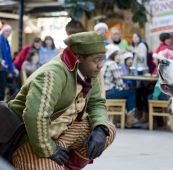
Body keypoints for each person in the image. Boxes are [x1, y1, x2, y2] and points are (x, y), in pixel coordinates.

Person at [8, 32, 116, 169]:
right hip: (30, 139)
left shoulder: (87, 72)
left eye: (102, 59)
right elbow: (34, 116)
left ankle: (66, 166)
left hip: (60, 133)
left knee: (107, 130)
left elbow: (96, 103)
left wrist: (100, 128)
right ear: (79, 58)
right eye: (96, 60)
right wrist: (49, 149)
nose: (101, 65)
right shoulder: (52, 74)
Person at [0, 24, 18, 101]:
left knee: (3, 88)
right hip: (1, 68)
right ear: (3, 32)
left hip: (5, 69)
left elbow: (9, 58)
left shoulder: (7, 43)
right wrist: (0, 60)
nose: (7, 33)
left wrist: (13, 68)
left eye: (9, 31)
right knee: (1, 88)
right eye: (6, 31)